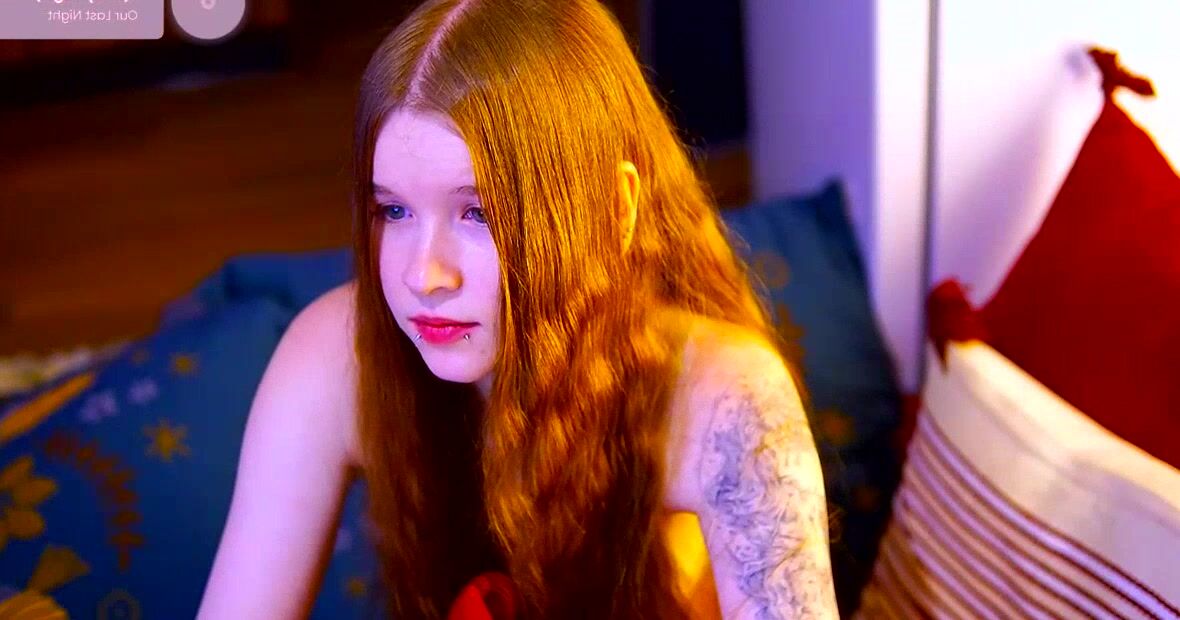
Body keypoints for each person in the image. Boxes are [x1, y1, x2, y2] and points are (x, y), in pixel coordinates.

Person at [197, 0, 838, 618]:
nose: (425, 275)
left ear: (615, 211)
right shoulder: (333, 355)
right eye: (393, 209)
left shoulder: (725, 399)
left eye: (480, 213)